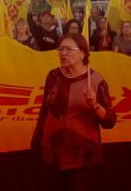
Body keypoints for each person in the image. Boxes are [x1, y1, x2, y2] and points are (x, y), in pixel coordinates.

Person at [31, 33, 117, 190]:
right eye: (60, 49)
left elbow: (110, 121)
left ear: (82, 54)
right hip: (52, 153)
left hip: (82, 156)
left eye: (69, 49)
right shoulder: (53, 76)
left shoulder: (96, 80)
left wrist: (95, 106)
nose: (63, 53)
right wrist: (38, 136)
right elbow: (45, 109)